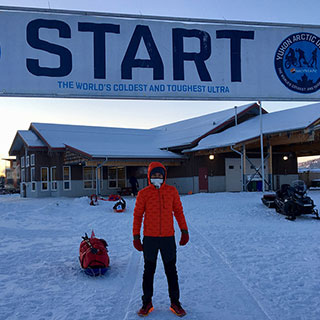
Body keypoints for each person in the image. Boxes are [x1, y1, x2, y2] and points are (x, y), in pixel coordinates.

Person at [132, 161, 189, 317]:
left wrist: (184, 230)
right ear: (150, 176)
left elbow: (178, 212)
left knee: (171, 271)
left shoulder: (172, 192)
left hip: (167, 239)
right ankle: (147, 303)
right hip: (150, 239)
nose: (157, 177)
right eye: (154, 175)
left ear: (164, 176)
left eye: (160, 175)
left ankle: (175, 302)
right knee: (148, 271)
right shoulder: (143, 194)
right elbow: (137, 216)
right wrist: (136, 236)